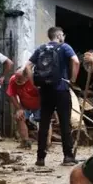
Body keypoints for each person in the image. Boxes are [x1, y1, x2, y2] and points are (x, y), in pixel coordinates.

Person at [26, 27, 80, 167]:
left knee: (44, 123)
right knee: (64, 123)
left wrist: (35, 85)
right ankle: (68, 156)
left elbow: (28, 67)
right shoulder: (65, 47)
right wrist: (72, 80)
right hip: (61, 89)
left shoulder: (41, 48)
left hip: (45, 90)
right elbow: (76, 61)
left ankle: (40, 158)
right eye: (63, 35)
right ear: (59, 35)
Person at [6, 69, 44, 149]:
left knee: (44, 121)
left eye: (20, 79)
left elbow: (45, 94)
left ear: (27, 77)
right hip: (24, 104)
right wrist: (18, 109)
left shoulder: (35, 80)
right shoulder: (13, 80)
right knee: (20, 118)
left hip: (40, 104)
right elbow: (11, 95)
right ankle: (25, 142)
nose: (18, 80)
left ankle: (45, 144)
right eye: (17, 78)